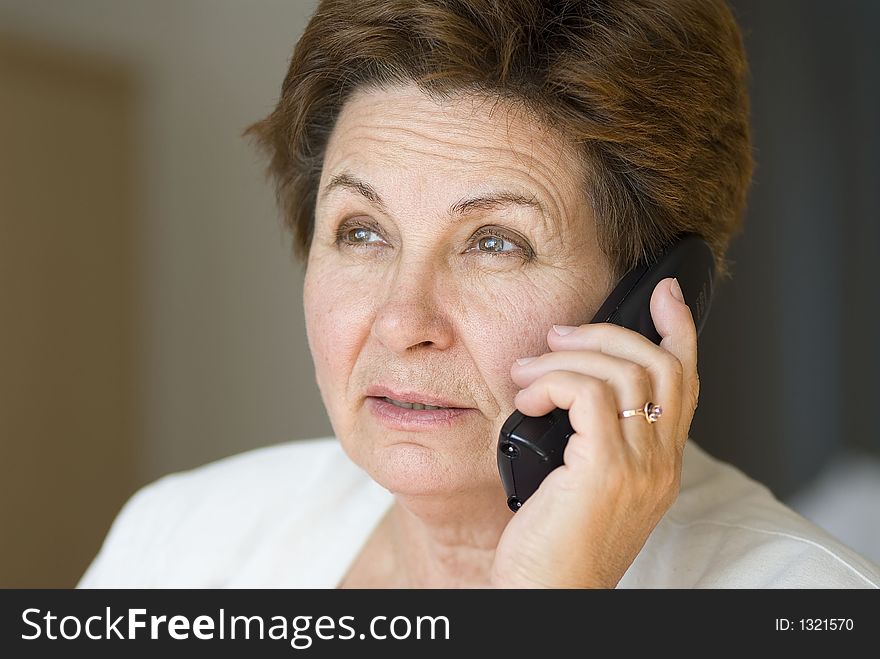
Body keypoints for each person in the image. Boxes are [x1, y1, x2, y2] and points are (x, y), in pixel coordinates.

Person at [79, 0, 879, 588]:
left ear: (652, 299)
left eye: (495, 242)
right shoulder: (182, 537)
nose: (402, 322)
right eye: (362, 231)